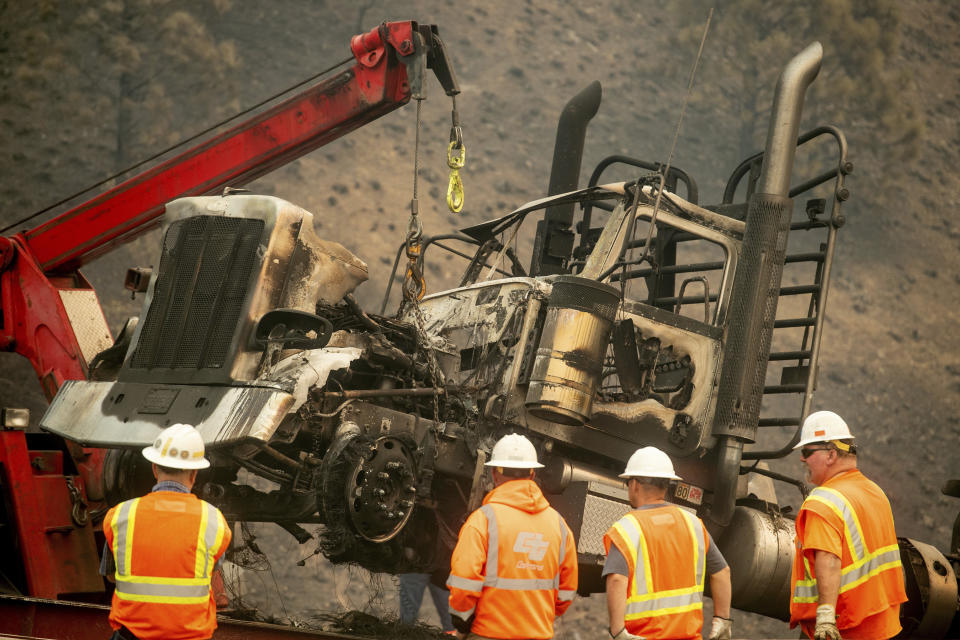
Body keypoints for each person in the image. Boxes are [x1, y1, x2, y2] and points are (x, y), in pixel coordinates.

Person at [100, 424, 232, 640]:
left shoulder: (121, 515)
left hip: (130, 636)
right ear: (194, 473)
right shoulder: (214, 521)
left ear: (154, 468)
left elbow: (110, 576)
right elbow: (209, 571)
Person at [447, 433, 578, 639]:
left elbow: (465, 578)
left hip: (488, 632)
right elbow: (566, 590)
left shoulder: (483, 520)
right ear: (533, 475)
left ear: (494, 474)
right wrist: (537, 619)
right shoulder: (559, 526)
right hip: (537, 634)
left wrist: (462, 622)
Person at [789, 411, 907, 640]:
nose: (802, 459)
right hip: (884, 625)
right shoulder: (874, 493)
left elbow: (829, 559)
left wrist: (825, 616)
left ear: (831, 455)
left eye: (806, 452)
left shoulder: (823, 502)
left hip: (845, 628)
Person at [603, 446, 733, 640]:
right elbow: (722, 572)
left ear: (635, 485)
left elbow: (616, 580)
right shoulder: (693, 524)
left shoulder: (627, 529)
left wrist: (618, 631)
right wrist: (722, 619)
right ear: (666, 485)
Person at [398, 570, 456, 635]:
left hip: (421, 566)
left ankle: (405, 633)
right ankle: (405, 633)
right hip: (419, 567)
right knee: (450, 617)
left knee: (451, 618)